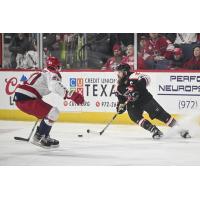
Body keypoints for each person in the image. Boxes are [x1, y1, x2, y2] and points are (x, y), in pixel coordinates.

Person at [13, 56, 84, 148]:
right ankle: (39, 137)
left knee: (49, 112)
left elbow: (31, 85)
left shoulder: (41, 72)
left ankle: (44, 135)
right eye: (59, 66)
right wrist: (70, 95)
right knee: (53, 112)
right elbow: (54, 86)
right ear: (57, 66)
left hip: (22, 97)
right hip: (26, 99)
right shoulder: (52, 73)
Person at [115, 64, 191, 139]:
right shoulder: (118, 85)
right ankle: (154, 130)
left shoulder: (134, 75)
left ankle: (180, 129)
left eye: (119, 72)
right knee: (134, 117)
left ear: (125, 72)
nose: (117, 74)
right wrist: (120, 107)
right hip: (132, 104)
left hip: (145, 98)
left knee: (161, 114)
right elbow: (121, 99)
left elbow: (147, 78)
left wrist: (135, 88)